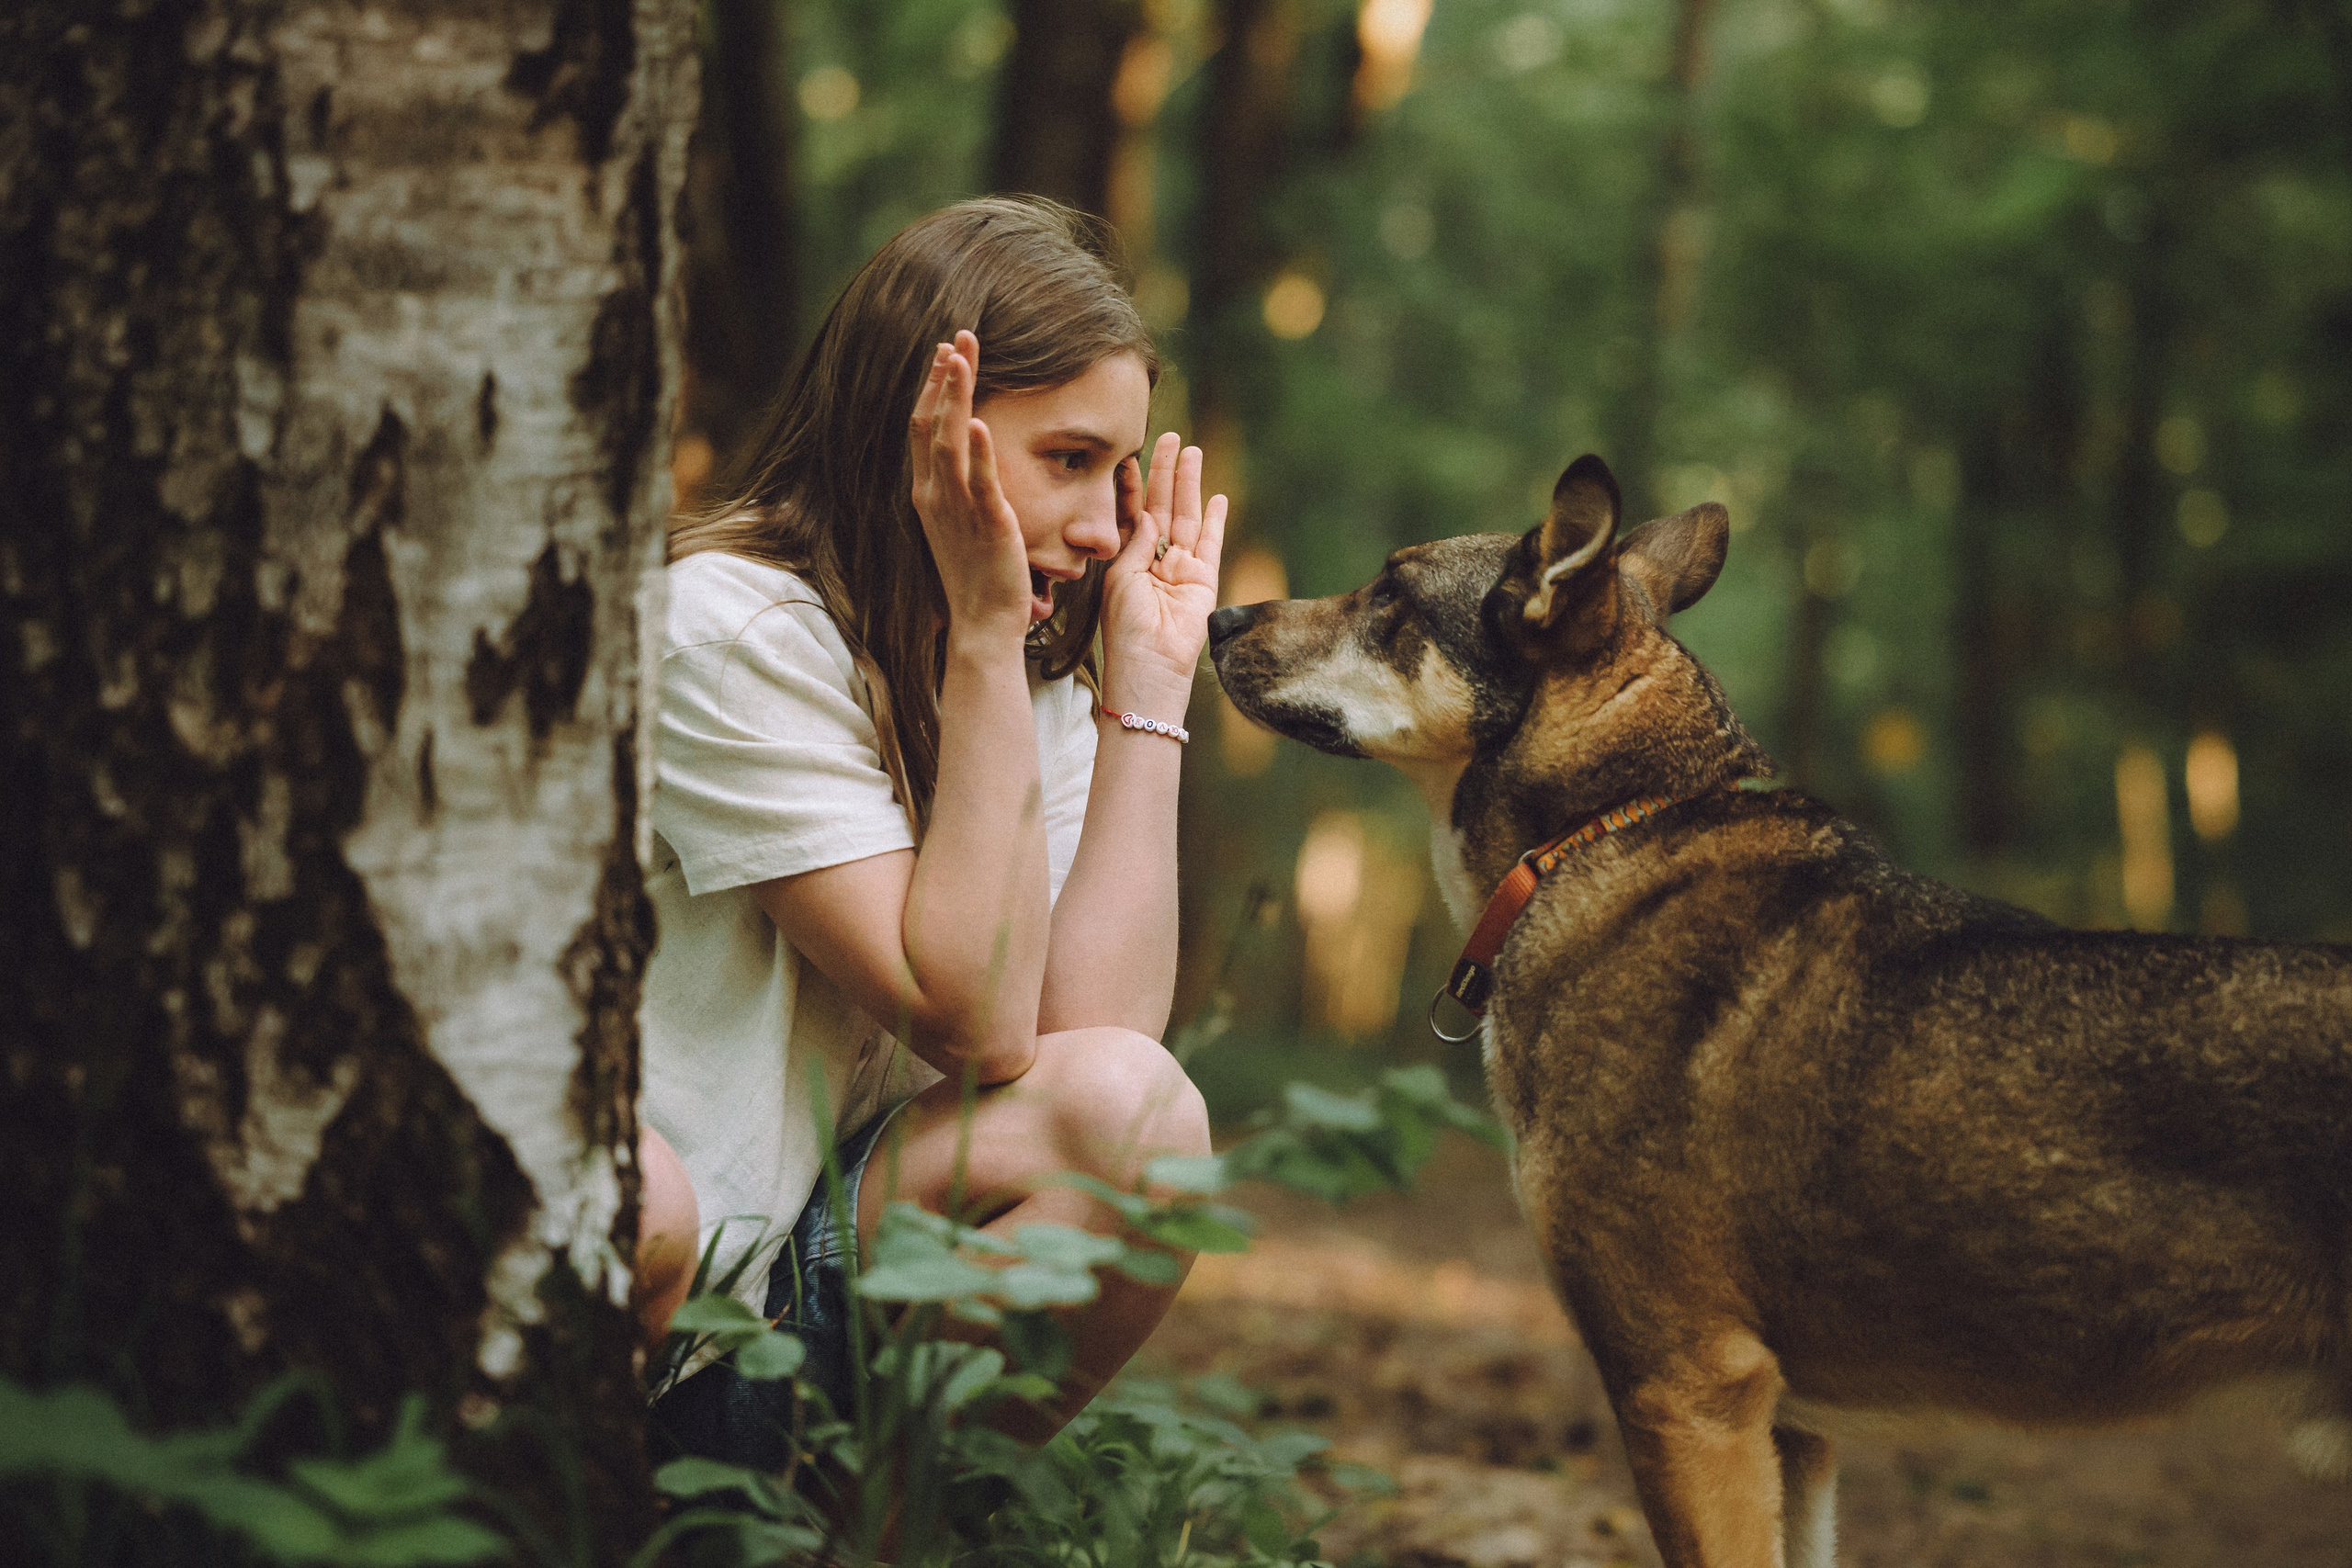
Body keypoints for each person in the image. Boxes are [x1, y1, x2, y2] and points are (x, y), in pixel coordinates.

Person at [629, 196, 1223, 1465]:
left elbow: (1091, 1049)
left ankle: (866, 1537)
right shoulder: (727, 628)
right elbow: (973, 1020)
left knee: (1139, 1118)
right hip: (649, 1300)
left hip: (797, 1292)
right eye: (1068, 461)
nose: (1113, 529)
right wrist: (984, 636)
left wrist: (1147, 694)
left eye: (1122, 477)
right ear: (928, 428)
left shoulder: (1011, 662)